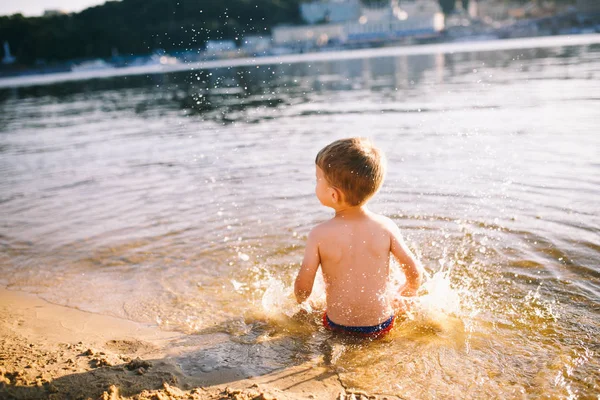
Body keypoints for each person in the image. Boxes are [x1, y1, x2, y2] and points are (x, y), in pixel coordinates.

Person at [294, 137, 423, 338]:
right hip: (381, 325)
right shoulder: (385, 227)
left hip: (337, 325)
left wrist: (303, 304)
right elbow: (414, 272)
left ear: (334, 195)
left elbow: (303, 287)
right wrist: (406, 293)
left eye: (318, 179)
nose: (316, 184)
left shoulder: (319, 234)